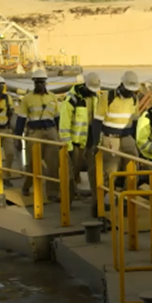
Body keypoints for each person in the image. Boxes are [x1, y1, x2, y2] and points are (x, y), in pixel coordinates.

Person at [14, 68, 62, 202]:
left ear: (46, 82)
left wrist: (60, 135)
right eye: (37, 82)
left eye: (42, 82)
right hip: (34, 133)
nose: (40, 85)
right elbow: (21, 119)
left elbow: (58, 118)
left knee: (53, 164)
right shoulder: (27, 99)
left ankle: (52, 193)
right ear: (34, 83)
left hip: (51, 132)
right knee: (32, 164)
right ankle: (27, 186)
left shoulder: (52, 97)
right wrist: (18, 138)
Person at [59, 72, 102, 206]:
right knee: (72, 173)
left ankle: (97, 203)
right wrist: (68, 146)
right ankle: (67, 202)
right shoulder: (71, 100)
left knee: (94, 172)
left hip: (91, 142)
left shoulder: (96, 97)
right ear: (85, 85)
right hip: (76, 143)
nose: (93, 92)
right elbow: (64, 125)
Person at [94, 71, 140, 193]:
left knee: (133, 166)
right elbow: (97, 121)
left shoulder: (134, 99)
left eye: (132, 90)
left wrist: (135, 141)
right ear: (122, 84)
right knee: (110, 170)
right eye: (128, 90)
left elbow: (135, 122)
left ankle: (128, 197)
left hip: (127, 137)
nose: (130, 92)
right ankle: (101, 199)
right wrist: (95, 143)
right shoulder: (108, 97)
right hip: (110, 138)